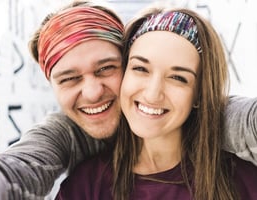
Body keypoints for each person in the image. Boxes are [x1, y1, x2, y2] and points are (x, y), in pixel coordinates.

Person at [0, 1, 256, 200]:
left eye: (106, 69)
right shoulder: (83, 176)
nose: (92, 92)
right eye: (69, 78)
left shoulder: (236, 165)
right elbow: (20, 166)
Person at [55, 6, 257, 200]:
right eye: (141, 69)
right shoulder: (85, 187)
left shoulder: (243, 181)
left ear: (198, 95)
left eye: (178, 78)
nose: (152, 94)